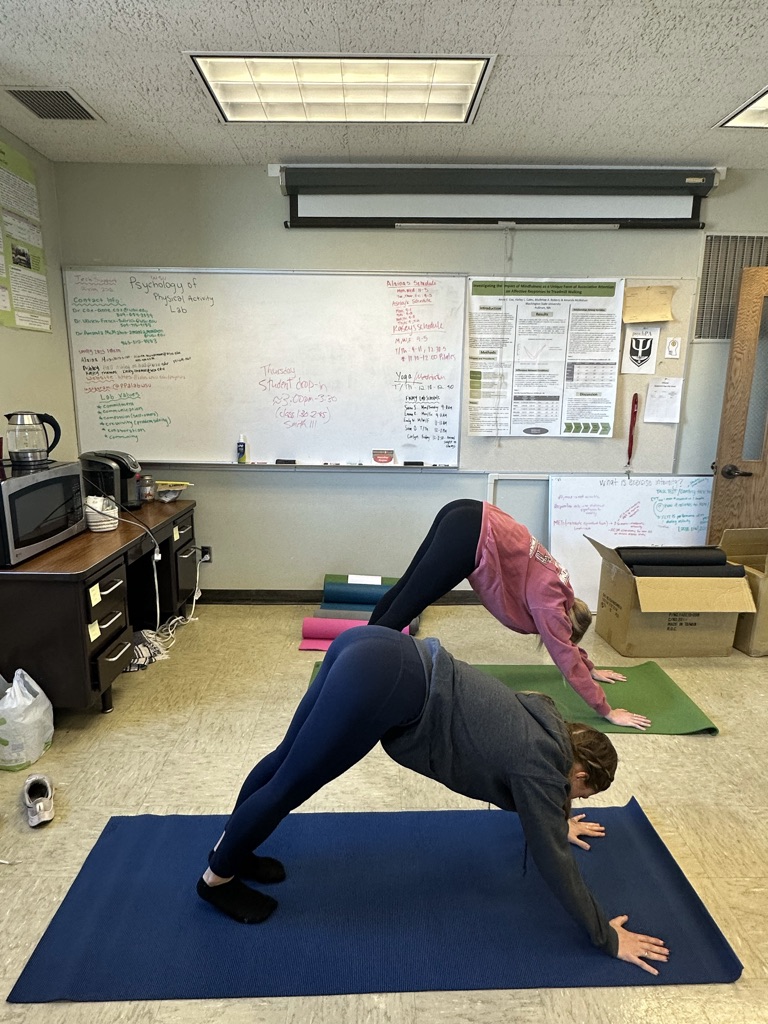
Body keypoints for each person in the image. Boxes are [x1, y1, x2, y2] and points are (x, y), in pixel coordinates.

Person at [197, 627, 668, 975]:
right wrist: (606, 937)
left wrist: (559, 818)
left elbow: (536, 792)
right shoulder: (542, 768)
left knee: (283, 761)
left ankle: (239, 851)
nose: (568, 799)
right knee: (290, 785)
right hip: (386, 683)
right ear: (580, 774)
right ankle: (217, 880)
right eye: (578, 793)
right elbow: (552, 858)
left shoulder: (543, 717)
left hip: (373, 645)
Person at [368, 499, 651, 731]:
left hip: (466, 511)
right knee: (405, 608)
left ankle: (353, 653)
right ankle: (362, 672)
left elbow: (568, 644)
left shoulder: (564, 590)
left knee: (404, 592)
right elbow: (565, 655)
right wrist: (607, 710)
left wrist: (591, 668)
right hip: (470, 536)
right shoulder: (550, 608)